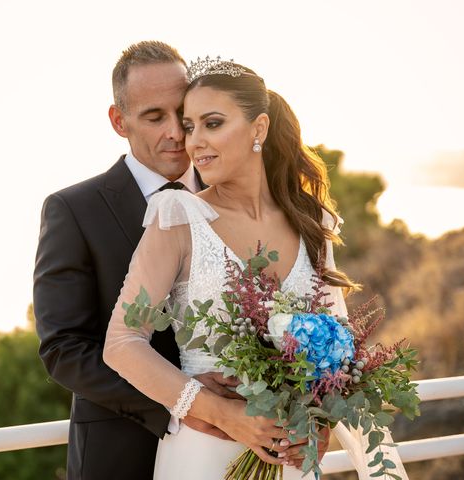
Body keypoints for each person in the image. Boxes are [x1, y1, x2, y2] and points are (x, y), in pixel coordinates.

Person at [103, 58, 408, 479]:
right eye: (190, 127)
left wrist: (320, 421)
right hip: (204, 453)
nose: (194, 142)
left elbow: (337, 348)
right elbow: (121, 342)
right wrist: (223, 414)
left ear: (259, 129)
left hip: (294, 458)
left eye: (212, 123)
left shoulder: (311, 221)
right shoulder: (177, 216)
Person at [34, 42, 287, 480]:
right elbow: (63, 349)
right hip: (120, 449)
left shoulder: (244, 201)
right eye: (154, 117)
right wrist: (183, 400)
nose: (176, 133)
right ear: (119, 120)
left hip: (245, 446)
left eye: (183, 115)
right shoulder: (73, 210)